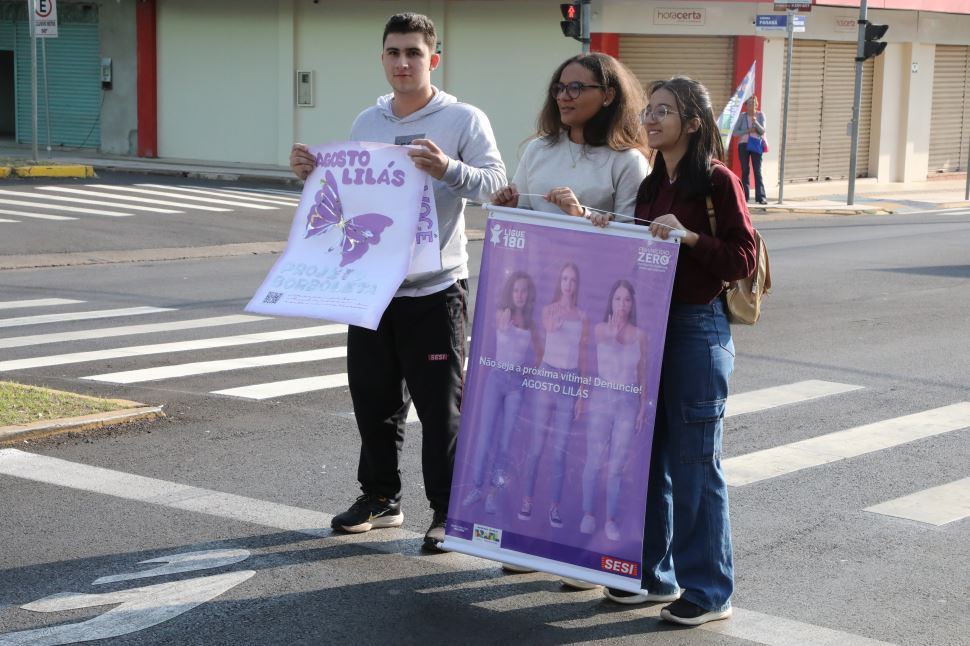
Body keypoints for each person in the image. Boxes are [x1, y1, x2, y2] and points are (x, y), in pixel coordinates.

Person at [288, 12, 506, 551]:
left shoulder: (462, 119)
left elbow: (497, 185)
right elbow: (361, 200)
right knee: (373, 399)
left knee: (441, 409)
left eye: (414, 52)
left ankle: (447, 512)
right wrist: (318, 175)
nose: (403, 62)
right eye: (393, 52)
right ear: (382, 58)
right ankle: (381, 499)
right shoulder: (369, 120)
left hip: (435, 289)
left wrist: (448, 169)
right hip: (372, 287)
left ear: (434, 58)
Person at [601, 76, 756, 627]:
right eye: (650, 111)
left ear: (692, 122)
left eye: (664, 111)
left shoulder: (717, 181)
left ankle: (710, 590)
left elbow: (743, 259)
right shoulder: (651, 184)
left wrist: (689, 237)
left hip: (696, 327)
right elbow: (641, 251)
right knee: (647, 458)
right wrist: (608, 227)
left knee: (694, 463)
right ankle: (652, 574)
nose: (652, 119)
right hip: (649, 326)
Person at [491, 52, 649, 225]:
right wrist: (509, 209)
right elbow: (522, 218)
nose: (562, 97)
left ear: (608, 96)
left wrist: (582, 215)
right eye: (559, 88)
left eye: (575, 88)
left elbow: (632, 234)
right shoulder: (537, 148)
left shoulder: (628, 160)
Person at [462, 271, 541, 514]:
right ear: (511, 292)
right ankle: (476, 487)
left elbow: (539, 355)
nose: (520, 295)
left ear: (529, 295)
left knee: (505, 441)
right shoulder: (501, 314)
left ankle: (493, 493)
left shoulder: (531, 324)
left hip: (516, 383)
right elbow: (492, 331)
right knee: (485, 435)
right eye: (516, 290)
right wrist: (502, 323)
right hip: (496, 379)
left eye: (524, 290)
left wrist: (527, 372)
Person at [518, 262, 589, 528]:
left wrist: (582, 392)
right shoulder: (549, 310)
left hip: (569, 382)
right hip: (547, 377)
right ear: (559, 283)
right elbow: (547, 327)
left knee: (559, 451)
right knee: (537, 445)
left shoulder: (582, 316)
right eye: (564, 279)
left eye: (572, 280)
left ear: (577, 284)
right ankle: (527, 500)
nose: (568, 285)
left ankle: (554, 507)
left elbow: (583, 355)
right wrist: (553, 323)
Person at [580, 279, 649, 542]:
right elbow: (590, 363)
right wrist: (612, 335)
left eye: (627, 300)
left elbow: (642, 374)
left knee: (618, 464)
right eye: (618, 299)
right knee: (594, 459)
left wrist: (643, 406)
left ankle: (610, 519)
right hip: (602, 396)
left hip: (628, 401)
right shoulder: (599, 330)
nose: (622, 304)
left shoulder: (640, 335)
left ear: (632, 305)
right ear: (611, 301)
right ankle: (588, 513)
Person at [733, 95, 767, 204]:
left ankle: (761, 197)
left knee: (757, 171)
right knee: (745, 171)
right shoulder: (742, 116)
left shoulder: (761, 115)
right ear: (746, 106)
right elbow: (735, 132)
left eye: (753, 103)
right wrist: (748, 130)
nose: (752, 105)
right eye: (749, 103)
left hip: (756, 144)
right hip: (743, 145)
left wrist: (755, 122)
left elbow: (762, 131)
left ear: (757, 105)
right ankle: (745, 198)